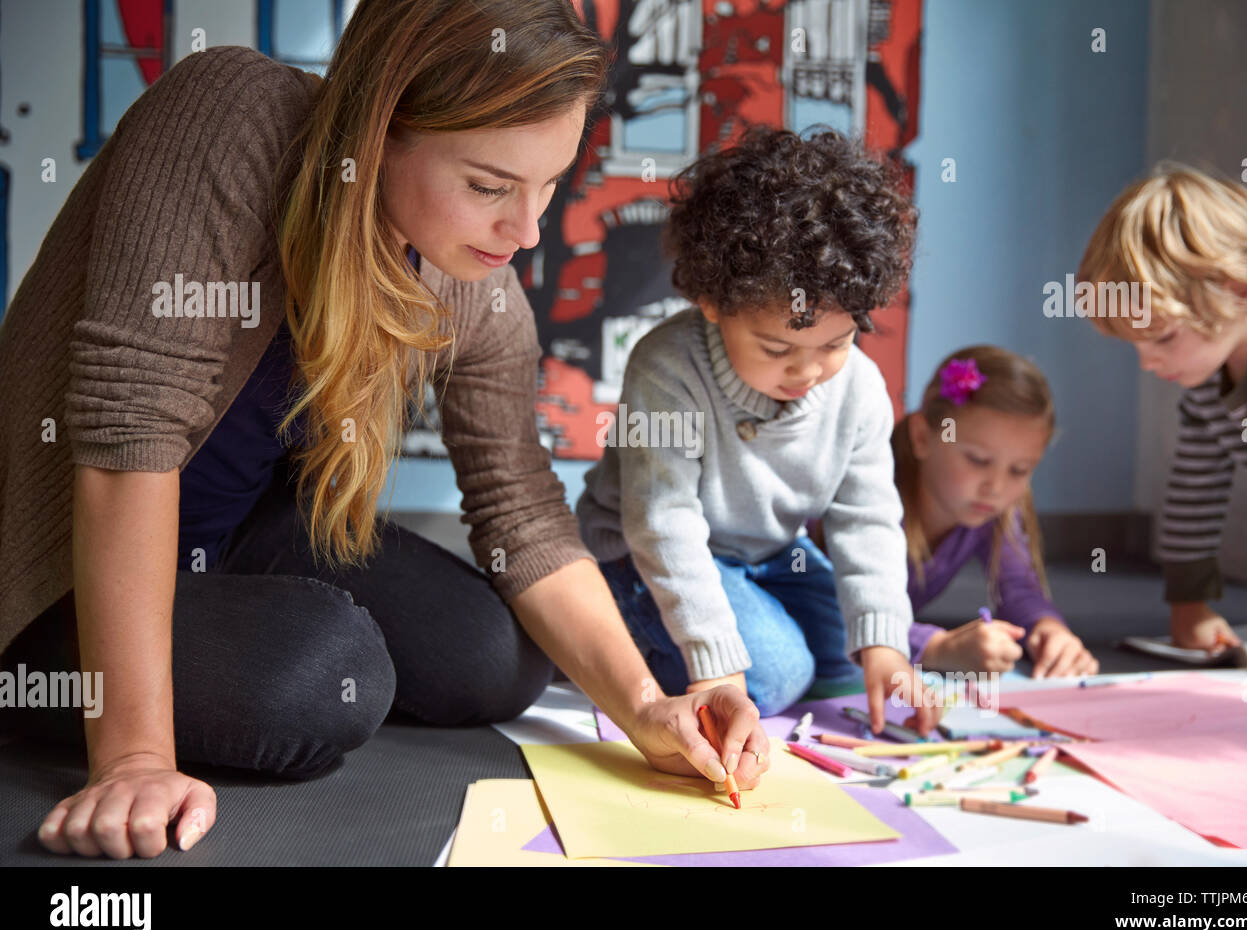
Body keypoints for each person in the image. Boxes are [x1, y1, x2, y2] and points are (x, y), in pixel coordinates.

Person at [0, 0, 766, 861]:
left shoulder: (472, 281)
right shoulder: (231, 117)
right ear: (379, 127)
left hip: (233, 537)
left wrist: (645, 705)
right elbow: (126, 433)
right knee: (319, 675)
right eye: (488, 186)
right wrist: (134, 760)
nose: (528, 231)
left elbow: (520, 508)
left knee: (495, 657)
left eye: (549, 185)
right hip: (54, 574)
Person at [576, 125, 944, 733]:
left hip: (768, 556)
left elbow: (868, 517)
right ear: (712, 303)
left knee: (851, 652)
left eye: (836, 343)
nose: (806, 371)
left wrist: (883, 641)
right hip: (641, 552)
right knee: (774, 675)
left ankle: (751, 624)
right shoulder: (667, 367)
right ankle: (608, 624)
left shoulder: (860, 389)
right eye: (776, 348)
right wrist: (715, 665)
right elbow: (661, 522)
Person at [1077, 162, 1247, 676]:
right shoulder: (1207, 384)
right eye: (1134, 345)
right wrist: (1189, 607)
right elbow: (1194, 492)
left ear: (1241, 289)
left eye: (1162, 339)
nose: (1148, 363)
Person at [887, 347, 1097, 678]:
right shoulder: (873, 495)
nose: (996, 486)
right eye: (978, 460)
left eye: (1020, 469)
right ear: (922, 437)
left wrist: (1049, 629)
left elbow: (1019, 589)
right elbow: (834, 614)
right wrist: (937, 647)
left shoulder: (989, 508)